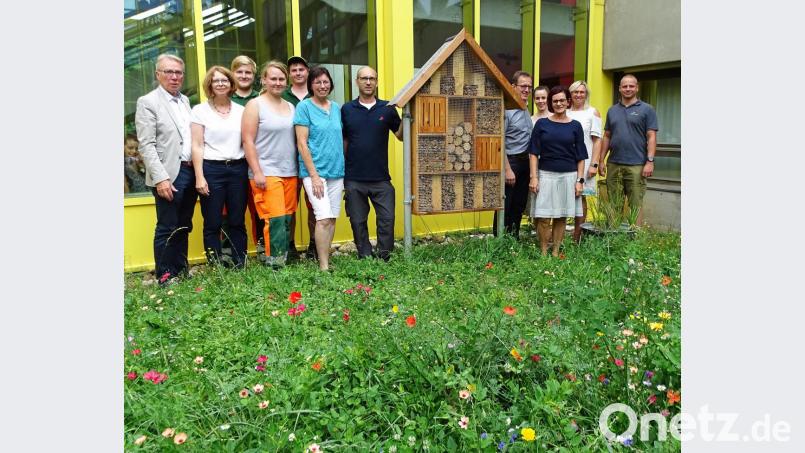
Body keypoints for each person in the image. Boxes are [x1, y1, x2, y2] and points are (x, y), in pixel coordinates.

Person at [136, 54, 197, 282]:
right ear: (158, 74)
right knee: (167, 226)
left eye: (178, 72)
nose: (174, 77)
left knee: (183, 225)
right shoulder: (148, 102)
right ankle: (165, 275)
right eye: (168, 72)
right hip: (168, 174)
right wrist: (161, 178)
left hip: (189, 171)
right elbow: (147, 145)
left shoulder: (185, 101)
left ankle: (181, 270)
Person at [341, 66, 402, 260]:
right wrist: (342, 172)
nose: (368, 82)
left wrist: (411, 115)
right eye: (364, 78)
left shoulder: (388, 108)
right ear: (357, 81)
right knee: (358, 221)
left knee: (387, 219)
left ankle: (384, 256)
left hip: (381, 178)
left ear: (377, 82)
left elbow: (400, 135)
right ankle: (365, 255)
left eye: (372, 78)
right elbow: (344, 141)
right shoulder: (347, 109)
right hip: (354, 178)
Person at [190, 66, 248, 267]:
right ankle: (215, 264)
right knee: (213, 221)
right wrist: (199, 176)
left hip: (238, 169)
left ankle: (240, 262)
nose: (221, 84)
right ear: (210, 85)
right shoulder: (199, 111)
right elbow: (197, 145)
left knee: (237, 220)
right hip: (212, 170)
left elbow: (248, 142)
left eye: (224, 80)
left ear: (231, 84)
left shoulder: (242, 111)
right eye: (216, 81)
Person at [242, 61, 298, 267]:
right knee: (274, 219)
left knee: (286, 219)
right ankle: (275, 264)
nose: (277, 82)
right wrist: (257, 171)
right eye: (272, 78)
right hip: (266, 171)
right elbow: (247, 140)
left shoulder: (290, 106)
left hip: (290, 170)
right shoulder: (255, 105)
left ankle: (280, 257)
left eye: (281, 78)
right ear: (263, 80)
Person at [293, 66, 344, 271]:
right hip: (315, 173)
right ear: (311, 85)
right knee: (322, 218)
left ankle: (326, 259)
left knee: (331, 219)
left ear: (330, 84)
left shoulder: (336, 108)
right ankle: (323, 266)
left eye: (325, 82)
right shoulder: (304, 107)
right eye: (317, 82)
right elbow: (302, 143)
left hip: (336, 171)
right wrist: (313, 176)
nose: (322, 86)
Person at [528, 86, 588, 257]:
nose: (559, 103)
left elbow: (581, 156)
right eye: (555, 101)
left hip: (569, 176)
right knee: (543, 217)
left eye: (562, 100)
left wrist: (580, 181)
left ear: (567, 102)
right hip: (545, 175)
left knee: (561, 216)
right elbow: (533, 153)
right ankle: (544, 251)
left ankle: (555, 251)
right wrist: (534, 177)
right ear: (550, 103)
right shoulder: (541, 124)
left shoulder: (575, 126)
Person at [598, 74, 658, 226]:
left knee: (635, 205)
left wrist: (650, 161)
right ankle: (614, 235)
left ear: (637, 88)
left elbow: (651, 136)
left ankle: (635, 239)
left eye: (631, 86)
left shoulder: (647, 109)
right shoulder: (612, 110)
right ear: (619, 89)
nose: (628, 89)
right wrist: (601, 161)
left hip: (637, 164)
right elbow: (607, 136)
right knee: (614, 202)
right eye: (624, 86)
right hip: (614, 164)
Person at [228, 55, 262, 258]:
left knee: (259, 208)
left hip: (258, 161)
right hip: (235, 160)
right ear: (232, 74)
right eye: (239, 72)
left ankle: (261, 247)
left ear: (254, 75)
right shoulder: (225, 97)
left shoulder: (261, 98)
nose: (243, 75)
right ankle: (231, 251)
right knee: (233, 209)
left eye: (248, 72)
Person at [493, 71, 533, 239]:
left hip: (525, 163)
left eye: (529, 87)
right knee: (505, 204)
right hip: (511, 163)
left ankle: (514, 238)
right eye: (523, 86)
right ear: (513, 87)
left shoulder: (525, 108)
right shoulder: (506, 111)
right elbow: (499, 141)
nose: (526, 90)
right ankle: (499, 240)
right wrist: (507, 169)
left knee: (519, 204)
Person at [283, 55, 316, 260]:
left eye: (301, 69)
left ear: (307, 71)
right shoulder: (282, 95)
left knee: (314, 205)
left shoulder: (316, 94)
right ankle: (290, 246)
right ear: (289, 74)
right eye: (293, 69)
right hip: (288, 160)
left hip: (314, 161)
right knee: (289, 206)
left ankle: (314, 244)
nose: (298, 73)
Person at [566, 80, 603, 243]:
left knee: (581, 198)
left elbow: (597, 140)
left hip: (586, 162)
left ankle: (577, 237)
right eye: (575, 92)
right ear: (571, 94)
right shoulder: (565, 112)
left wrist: (594, 164)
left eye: (582, 92)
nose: (578, 95)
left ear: (586, 94)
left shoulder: (593, 112)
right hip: (566, 161)